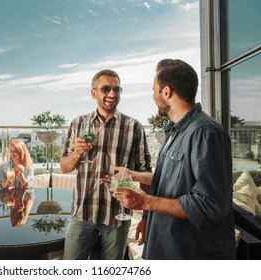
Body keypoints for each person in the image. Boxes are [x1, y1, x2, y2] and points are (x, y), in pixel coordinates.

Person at [111, 59, 236, 259]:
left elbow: (209, 204)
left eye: (154, 90)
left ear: (166, 92)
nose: (153, 96)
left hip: (190, 254)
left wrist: (145, 202)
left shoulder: (206, 133)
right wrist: (134, 175)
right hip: (165, 247)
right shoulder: (177, 132)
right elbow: (176, 180)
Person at [60, 69, 152, 260]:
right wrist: (77, 152)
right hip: (82, 212)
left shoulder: (133, 127)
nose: (112, 94)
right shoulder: (78, 124)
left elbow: (145, 173)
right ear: (94, 93)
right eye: (106, 89)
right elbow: (65, 167)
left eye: (117, 89)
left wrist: (145, 217)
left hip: (117, 216)